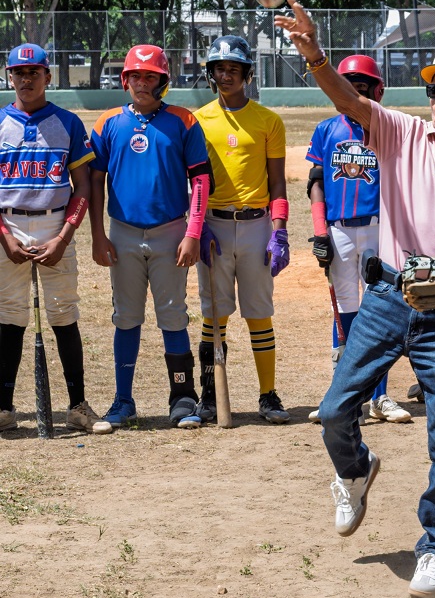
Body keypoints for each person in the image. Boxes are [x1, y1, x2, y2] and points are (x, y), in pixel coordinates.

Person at [277, 0, 435, 598]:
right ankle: (355, 469)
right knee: (337, 410)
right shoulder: (399, 132)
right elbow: (347, 99)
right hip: (389, 296)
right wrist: (313, 52)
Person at [89, 44, 213, 429]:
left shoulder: (183, 121)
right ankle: (123, 401)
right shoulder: (108, 122)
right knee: (126, 317)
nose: (142, 83)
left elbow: (201, 180)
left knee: (173, 315)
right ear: (124, 80)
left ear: (163, 82)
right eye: (135, 76)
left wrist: (193, 232)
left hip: (170, 232)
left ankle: (182, 396)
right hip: (122, 233)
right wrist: (96, 234)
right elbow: (94, 181)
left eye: (150, 77)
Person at [0, 43, 110, 435]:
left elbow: (82, 187)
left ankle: (78, 406)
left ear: (48, 76)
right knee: (10, 315)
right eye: (18, 72)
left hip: (54, 225)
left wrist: (64, 237)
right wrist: (5, 238)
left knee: (64, 314)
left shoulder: (67, 122)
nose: (26, 79)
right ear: (9, 76)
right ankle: (4, 408)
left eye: (34, 72)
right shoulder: (0, 122)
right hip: (8, 227)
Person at [306, 55, 410, 424]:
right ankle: (343, 399)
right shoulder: (326, 129)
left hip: (378, 229)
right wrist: (320, 230)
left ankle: (380, 398)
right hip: (338, 230)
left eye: (362, 85)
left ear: (376, 90)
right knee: (345, 314)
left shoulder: (389, 129)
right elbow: (315, 183)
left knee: (378, 314)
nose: (354, 90)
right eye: (348, 84)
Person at [193, 35, 291, 424]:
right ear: (211, 74)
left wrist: (279, 230)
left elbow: (278, 183)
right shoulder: (197, 120)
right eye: (219, 68)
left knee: (258, 313)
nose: (226, 75)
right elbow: (194, 180)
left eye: (234, 69)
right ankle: (209, 396)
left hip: (256, 225)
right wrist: (197, 226)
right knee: (212, 316)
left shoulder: (269, 121)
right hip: (213, 225)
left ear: (248, 75)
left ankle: (268, 395)